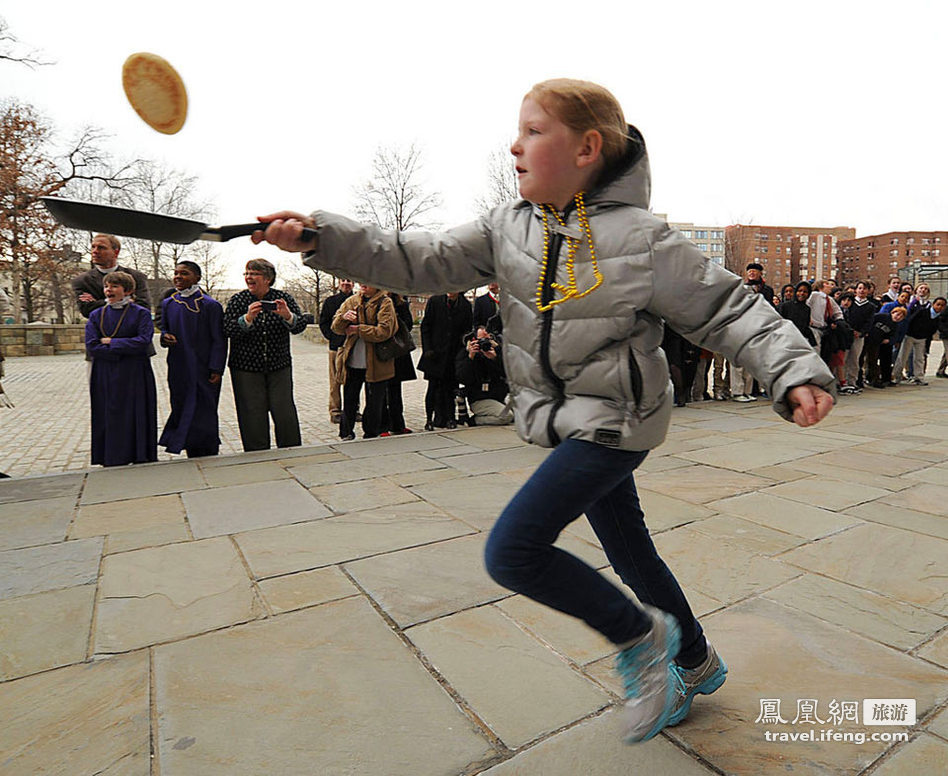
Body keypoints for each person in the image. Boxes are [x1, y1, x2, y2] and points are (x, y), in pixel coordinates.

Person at [253, 78, 835, 744]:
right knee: (630, 550)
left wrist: (793, 372)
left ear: (587, 148)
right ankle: (696, 659)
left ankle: (641, 638)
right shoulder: (508, 228)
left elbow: (729, 310)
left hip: (616, 423)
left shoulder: (643, 240)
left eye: (533, 131)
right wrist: (319, 238)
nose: (514, 145)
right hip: (562, 422)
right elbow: (416, 258)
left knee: (514, 553)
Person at [223, 258, 307, 451]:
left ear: (268, 278)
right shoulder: (238, 300)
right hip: (246, 369)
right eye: (246, 273)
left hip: (279, 366)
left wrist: (287, 315)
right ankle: (257, 454)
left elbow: (299, 326)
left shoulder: (282, 298)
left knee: (284, 411)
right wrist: (247, 318)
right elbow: (227, 330)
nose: (248, 277)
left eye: (254, 273)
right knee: (252, 414)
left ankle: (292, 451)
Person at [85, 271, 157, 466]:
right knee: (109, 412)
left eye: (115, 286)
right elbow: (92, 345)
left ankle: (138, 453)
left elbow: (143, 341)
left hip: (134, 372)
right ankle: (112, 456)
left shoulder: (141, 313)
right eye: (107, 286)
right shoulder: (96, 315)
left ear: (127, 290)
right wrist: (122, 349)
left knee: (135, 412)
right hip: (105, 372)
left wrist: (112, 343)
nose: (109, 290)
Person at [158, 261, 227, 457]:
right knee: (180, 404)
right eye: (176, 273)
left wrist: (216, 368)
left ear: (197, 278)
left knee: (204, 407)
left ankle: (207, 448)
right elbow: (164, 330)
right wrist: (165, 337)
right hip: (179, 366)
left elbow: (218, 340)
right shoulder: (169, 303)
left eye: (185, 273)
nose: (178, 277)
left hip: (203, 366)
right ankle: (187, 445)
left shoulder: (211, 306)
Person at [332, 283, 397, 440]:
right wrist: (343, 319)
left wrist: (358, 329)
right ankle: (346, 432)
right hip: (352, 360)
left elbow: (384, 331)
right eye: (361, 282)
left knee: (375, 401)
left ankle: (371, 433)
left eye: (367, 283)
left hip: (377, 361)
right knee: (349, 399)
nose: (363, 285)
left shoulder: (385, 302)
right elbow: (336, 327)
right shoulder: (352, 301)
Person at [417, 292, 472, 430]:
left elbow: (467, 330)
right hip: (434, 354)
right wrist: (427, 348)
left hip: (453, 355)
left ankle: (450, 418)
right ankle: (429, 419)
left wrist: (464, 347)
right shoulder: (435, 301)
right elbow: (426, 327)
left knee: (451, 388)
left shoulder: (465, 305)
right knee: (433, 388)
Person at [72, 234, 152, 319]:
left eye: (101, 248)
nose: (95, 251)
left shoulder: (136, 277)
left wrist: (100, 302)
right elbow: (87, 311)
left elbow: (144, 307)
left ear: (116, 252)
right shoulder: (83, 281)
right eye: (93, 247)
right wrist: (124, 300)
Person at [456, 325, 513, 425]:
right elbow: (462, 378)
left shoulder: (497, 351)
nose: (484, 343)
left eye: (487, 339)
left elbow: (510, 374)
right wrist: (471, 357)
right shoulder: (467, 354)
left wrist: (495, 358)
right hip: (480, 399)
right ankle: (474, 421)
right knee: (507, 416)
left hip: (499, 397)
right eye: (481, 340)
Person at [318, 277, 355, 423]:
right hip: (336, 347)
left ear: (353, 284)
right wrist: (333, 338)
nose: (346, 283)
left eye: (349, 281)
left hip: (353, 347)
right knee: (335, 381)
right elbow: (324, 323)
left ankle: (352, 409)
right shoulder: (330, 302)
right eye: (343, 280)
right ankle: (335, 411)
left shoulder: (358, 300)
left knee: (352, 380)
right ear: (339, 283)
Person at [380, 292, 417, 436]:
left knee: (395, 390)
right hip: (382, 350)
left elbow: (408, 324)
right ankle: (382, 426)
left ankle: (398, 424)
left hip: (397, 350)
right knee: (381, 390)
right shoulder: (379, 302)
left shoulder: (401, 303)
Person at [894, 296, 946, 386]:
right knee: (902, 357)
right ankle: (896, 376)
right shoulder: (923, 311)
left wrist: (927, 344)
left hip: (922, 338)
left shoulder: (939, 317)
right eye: (938, 304)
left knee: (919, 358)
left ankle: (918, 377)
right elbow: (910, 320)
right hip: (910, 335)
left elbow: (932, 331)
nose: (939, 307)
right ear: (933, 304)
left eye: (942, 305)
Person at [779, 281, 816, 346]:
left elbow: (805, 327)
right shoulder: (785, 306)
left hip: (799, 341)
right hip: (785, 340)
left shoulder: (807, 309)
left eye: (805, 292)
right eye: (800, 291)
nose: (802, 293)